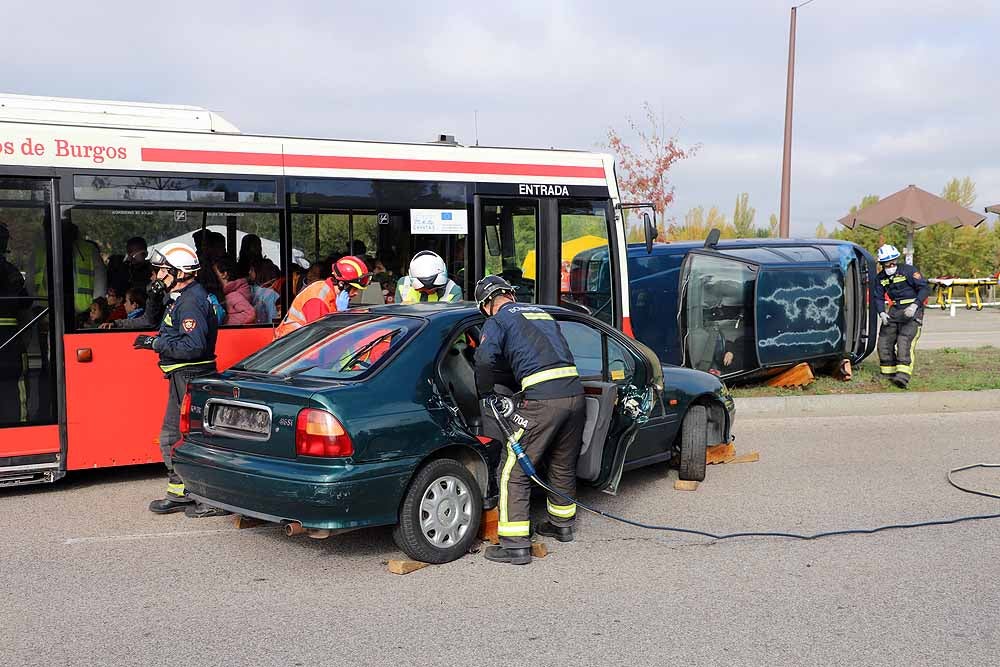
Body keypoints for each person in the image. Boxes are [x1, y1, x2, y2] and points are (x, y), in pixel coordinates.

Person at [473, 275, 586, 566]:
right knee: (562, 461)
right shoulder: (542, 313)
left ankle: (514, 546)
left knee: (514, 469)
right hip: (575, 394)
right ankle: (561, 525)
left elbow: (485, 359)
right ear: (510, 294)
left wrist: (486, 392)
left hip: (543, 400)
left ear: (486, 304)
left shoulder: (497, 320)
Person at [132, 242, 225, 518]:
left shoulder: (192, 301)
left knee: (196, 438)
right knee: (172, 437)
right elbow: (153, 319)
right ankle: (181, 492)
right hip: (181, 376)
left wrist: (157, 344)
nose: (156, 276)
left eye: (161, 271)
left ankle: (212, 499)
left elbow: (193, 346)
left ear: (180, 272)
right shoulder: (181, 298)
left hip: (192, 376)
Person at [873, 244, 929, 389]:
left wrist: (915, 305)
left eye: (893, 262)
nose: (890, 266)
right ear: (882, 264)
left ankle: (903, 375)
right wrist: (882, 312)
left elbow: (924, 288)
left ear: (897, 260)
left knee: (905, 340)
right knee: (884, 340)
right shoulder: (880, 278)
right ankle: (887, 372)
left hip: (912, 308)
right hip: (894, 309)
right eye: (887, 264)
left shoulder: (909, 271)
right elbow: (878, 297)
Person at [274, 256, 371, 338]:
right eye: (354, 289)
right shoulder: (318, 299)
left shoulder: (329, 293)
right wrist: (340, 317)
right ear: (341, 284)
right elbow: (320, 341)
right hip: (292, 352)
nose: (356, 293)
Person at [0, 222, 32, 425]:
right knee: (16, 386)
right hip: (10, 339)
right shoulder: (10, 272)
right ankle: (20, 428)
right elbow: (25, 302)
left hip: (9, 338)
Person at [394, 251, 463, 304]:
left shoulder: (452, 290)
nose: (429, 291)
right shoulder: (403, 284)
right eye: (424, 288)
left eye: (433, 287)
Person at [212, 256, 255, 325]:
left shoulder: (233, 295)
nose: (213, 276)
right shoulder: (231, 292)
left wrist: (229, 324)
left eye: (215, 272)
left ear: (224, 274)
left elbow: (250, 314)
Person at [248, 258, 280, 323]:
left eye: (252, 270)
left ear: (259, 271)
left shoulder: (270, 294)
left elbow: (272, 320)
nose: (249, 272)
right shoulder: (252, 290)